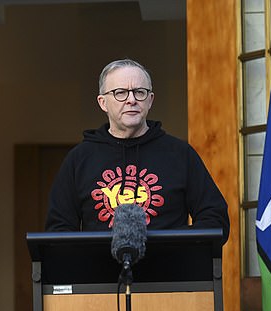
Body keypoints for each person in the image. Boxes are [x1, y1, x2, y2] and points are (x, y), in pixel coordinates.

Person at [45, 59, 229, 241]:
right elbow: (58, 230)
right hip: (99, 269)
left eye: (139, 92)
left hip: (168, 268)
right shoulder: (79, 159)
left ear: (150, 100)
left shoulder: (180, 154)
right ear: (103, 103)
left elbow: (215, 219)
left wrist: (176, 248)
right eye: (120, 93)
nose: (131, 100)